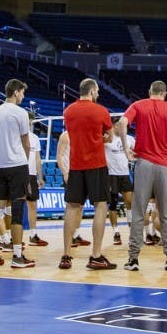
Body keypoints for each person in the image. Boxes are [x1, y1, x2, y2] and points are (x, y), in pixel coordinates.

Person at [117, 80, 167, 271]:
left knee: (139, 212)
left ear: (150, 91)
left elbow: (122, 123)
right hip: (164, 166)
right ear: (164, 93)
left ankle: (133, 260)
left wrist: (125, 149)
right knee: (166, 213)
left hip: (143, 164)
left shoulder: (138, 105)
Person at [57, 77, 117, 270]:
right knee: (100, 206)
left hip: (76, 166)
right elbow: (110, 137)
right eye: (97, 91)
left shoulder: (68, 111)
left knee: (72, 208)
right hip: (96, 164)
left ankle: (66, 255)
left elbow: (74, 133)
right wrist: (101, 138)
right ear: (92, 91)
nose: (98, 94)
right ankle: (96, 256)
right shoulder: (101, 111)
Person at [0, 79, 35, 269]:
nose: (22, 96)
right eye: (22, 92)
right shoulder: (20, 113)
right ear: (15, 92)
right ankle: (17, 256)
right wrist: (25, 163)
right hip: (17, 165)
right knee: (17, 211)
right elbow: (26, 143)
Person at [105, 117, 135, 245]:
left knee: (130, 202)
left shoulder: (130, 139)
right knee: (113, 205)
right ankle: (115, 232)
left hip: (125, 174)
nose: (122, 127)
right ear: (114, 126)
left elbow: (136, 151)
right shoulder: (107, 139)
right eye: (119, 125)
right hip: (112, 175)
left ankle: (132, 231)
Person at [25, 119, 49, 247]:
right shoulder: (17, 135)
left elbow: (38, 159)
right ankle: (8, 237)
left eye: (30, 122)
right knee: (13, 205)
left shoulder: (34, 138)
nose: (29, 124)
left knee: (32, 205)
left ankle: (33, 234)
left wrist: (40, 177)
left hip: (32, 175)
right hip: (19, 173)